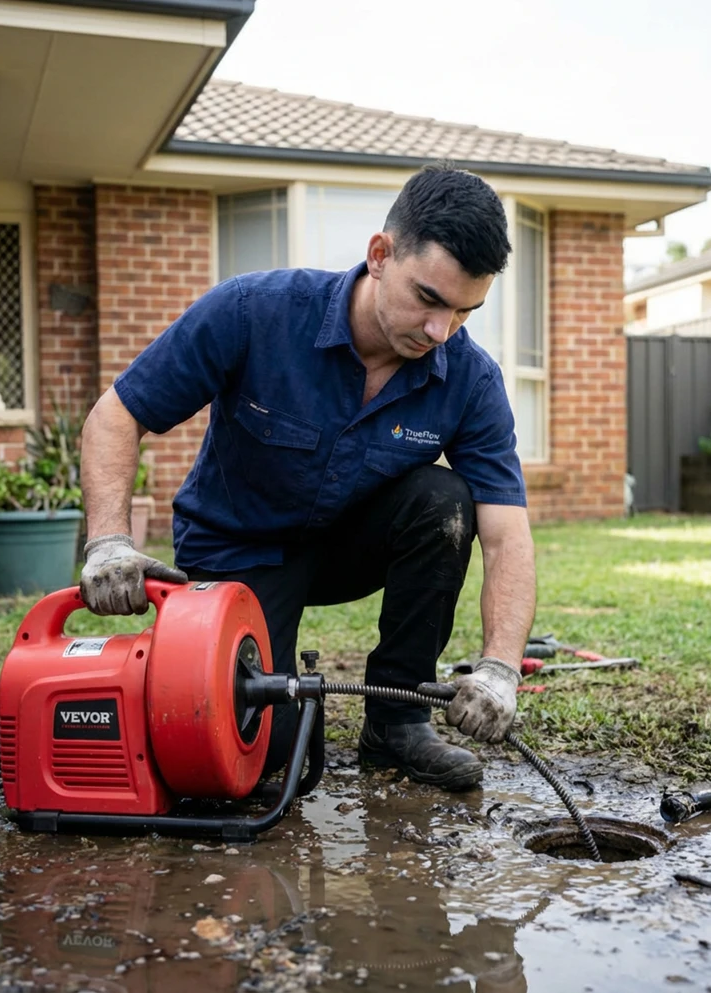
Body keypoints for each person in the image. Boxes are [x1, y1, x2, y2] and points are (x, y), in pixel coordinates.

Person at [79, 164, 537, 791]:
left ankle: (396, 722)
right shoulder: (253, 311)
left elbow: (507, 534)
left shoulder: (471, 379)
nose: (441, 331)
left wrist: (501, 668)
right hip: (240, 550)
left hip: (348, 545)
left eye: (465, 311)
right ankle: (279, 720)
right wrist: (109, 540)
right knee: (269, 759)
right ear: (380, 255)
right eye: (429, 299)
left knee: (445, 501)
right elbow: (117, 415)